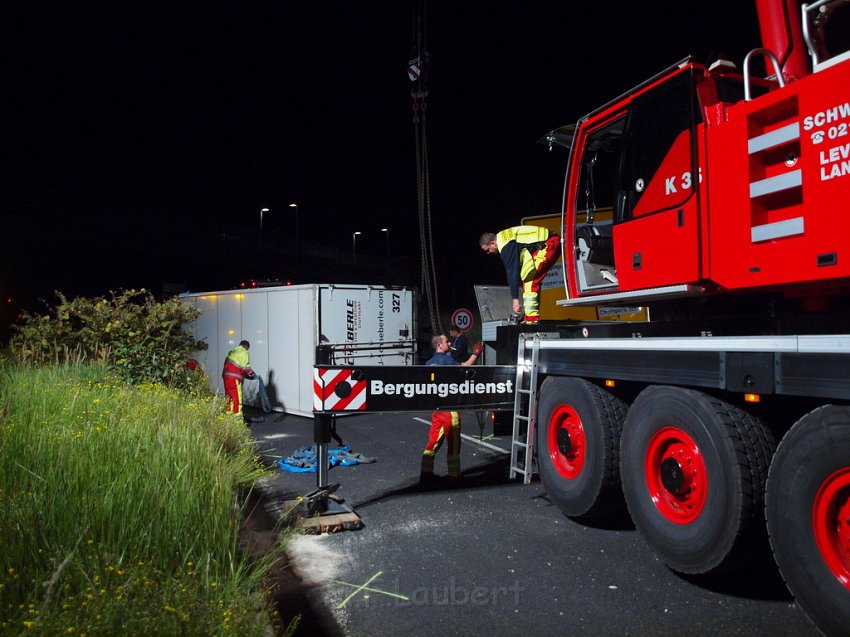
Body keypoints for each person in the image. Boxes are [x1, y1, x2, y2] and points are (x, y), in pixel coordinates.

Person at [420, 333, 484, 484]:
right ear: (439, 346)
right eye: (447, 342)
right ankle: (454, 476)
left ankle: (425, 474)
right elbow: (465, 367)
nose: (449, 344)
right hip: (450, 409)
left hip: (437, 409)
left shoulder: (428, 363)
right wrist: (476, 353)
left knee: (433, 442)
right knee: (454, 444)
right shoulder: (447, 360)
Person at [480, 226, 561, 324]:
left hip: (549, 245)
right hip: (550, 241)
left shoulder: (505, 247)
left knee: (529, 280)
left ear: (493, 243)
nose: (488, 253)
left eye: (488, 249)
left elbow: (512, 273)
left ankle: (532, 320)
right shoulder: (503, 236)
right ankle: (529, 316)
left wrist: (515, 299)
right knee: (526, 277)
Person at [222, 340, 256, 414]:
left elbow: (226, 365)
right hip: (234, 380)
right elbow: (245, 368)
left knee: (229, 397)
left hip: (226, 377)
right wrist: (252, 374)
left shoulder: (231, 352)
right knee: (237, 397)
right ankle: (237, 419)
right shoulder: (244, 352)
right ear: (246, 347)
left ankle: (229, 416)